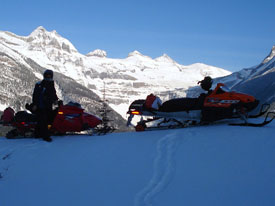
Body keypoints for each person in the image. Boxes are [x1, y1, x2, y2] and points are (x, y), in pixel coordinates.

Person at [32, 69, 58, 142]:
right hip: (41, 106)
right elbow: (36, 95)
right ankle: (45, 136)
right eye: (47, 75)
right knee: (44, 120)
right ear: (44, 76)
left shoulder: (51, 84)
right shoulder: (40, 84)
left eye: (49, 76)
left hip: (48, 106)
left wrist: (57, 101)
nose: (48, 77)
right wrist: (35, 104)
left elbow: (53, 94)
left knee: (50, 119)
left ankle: (37, 133)